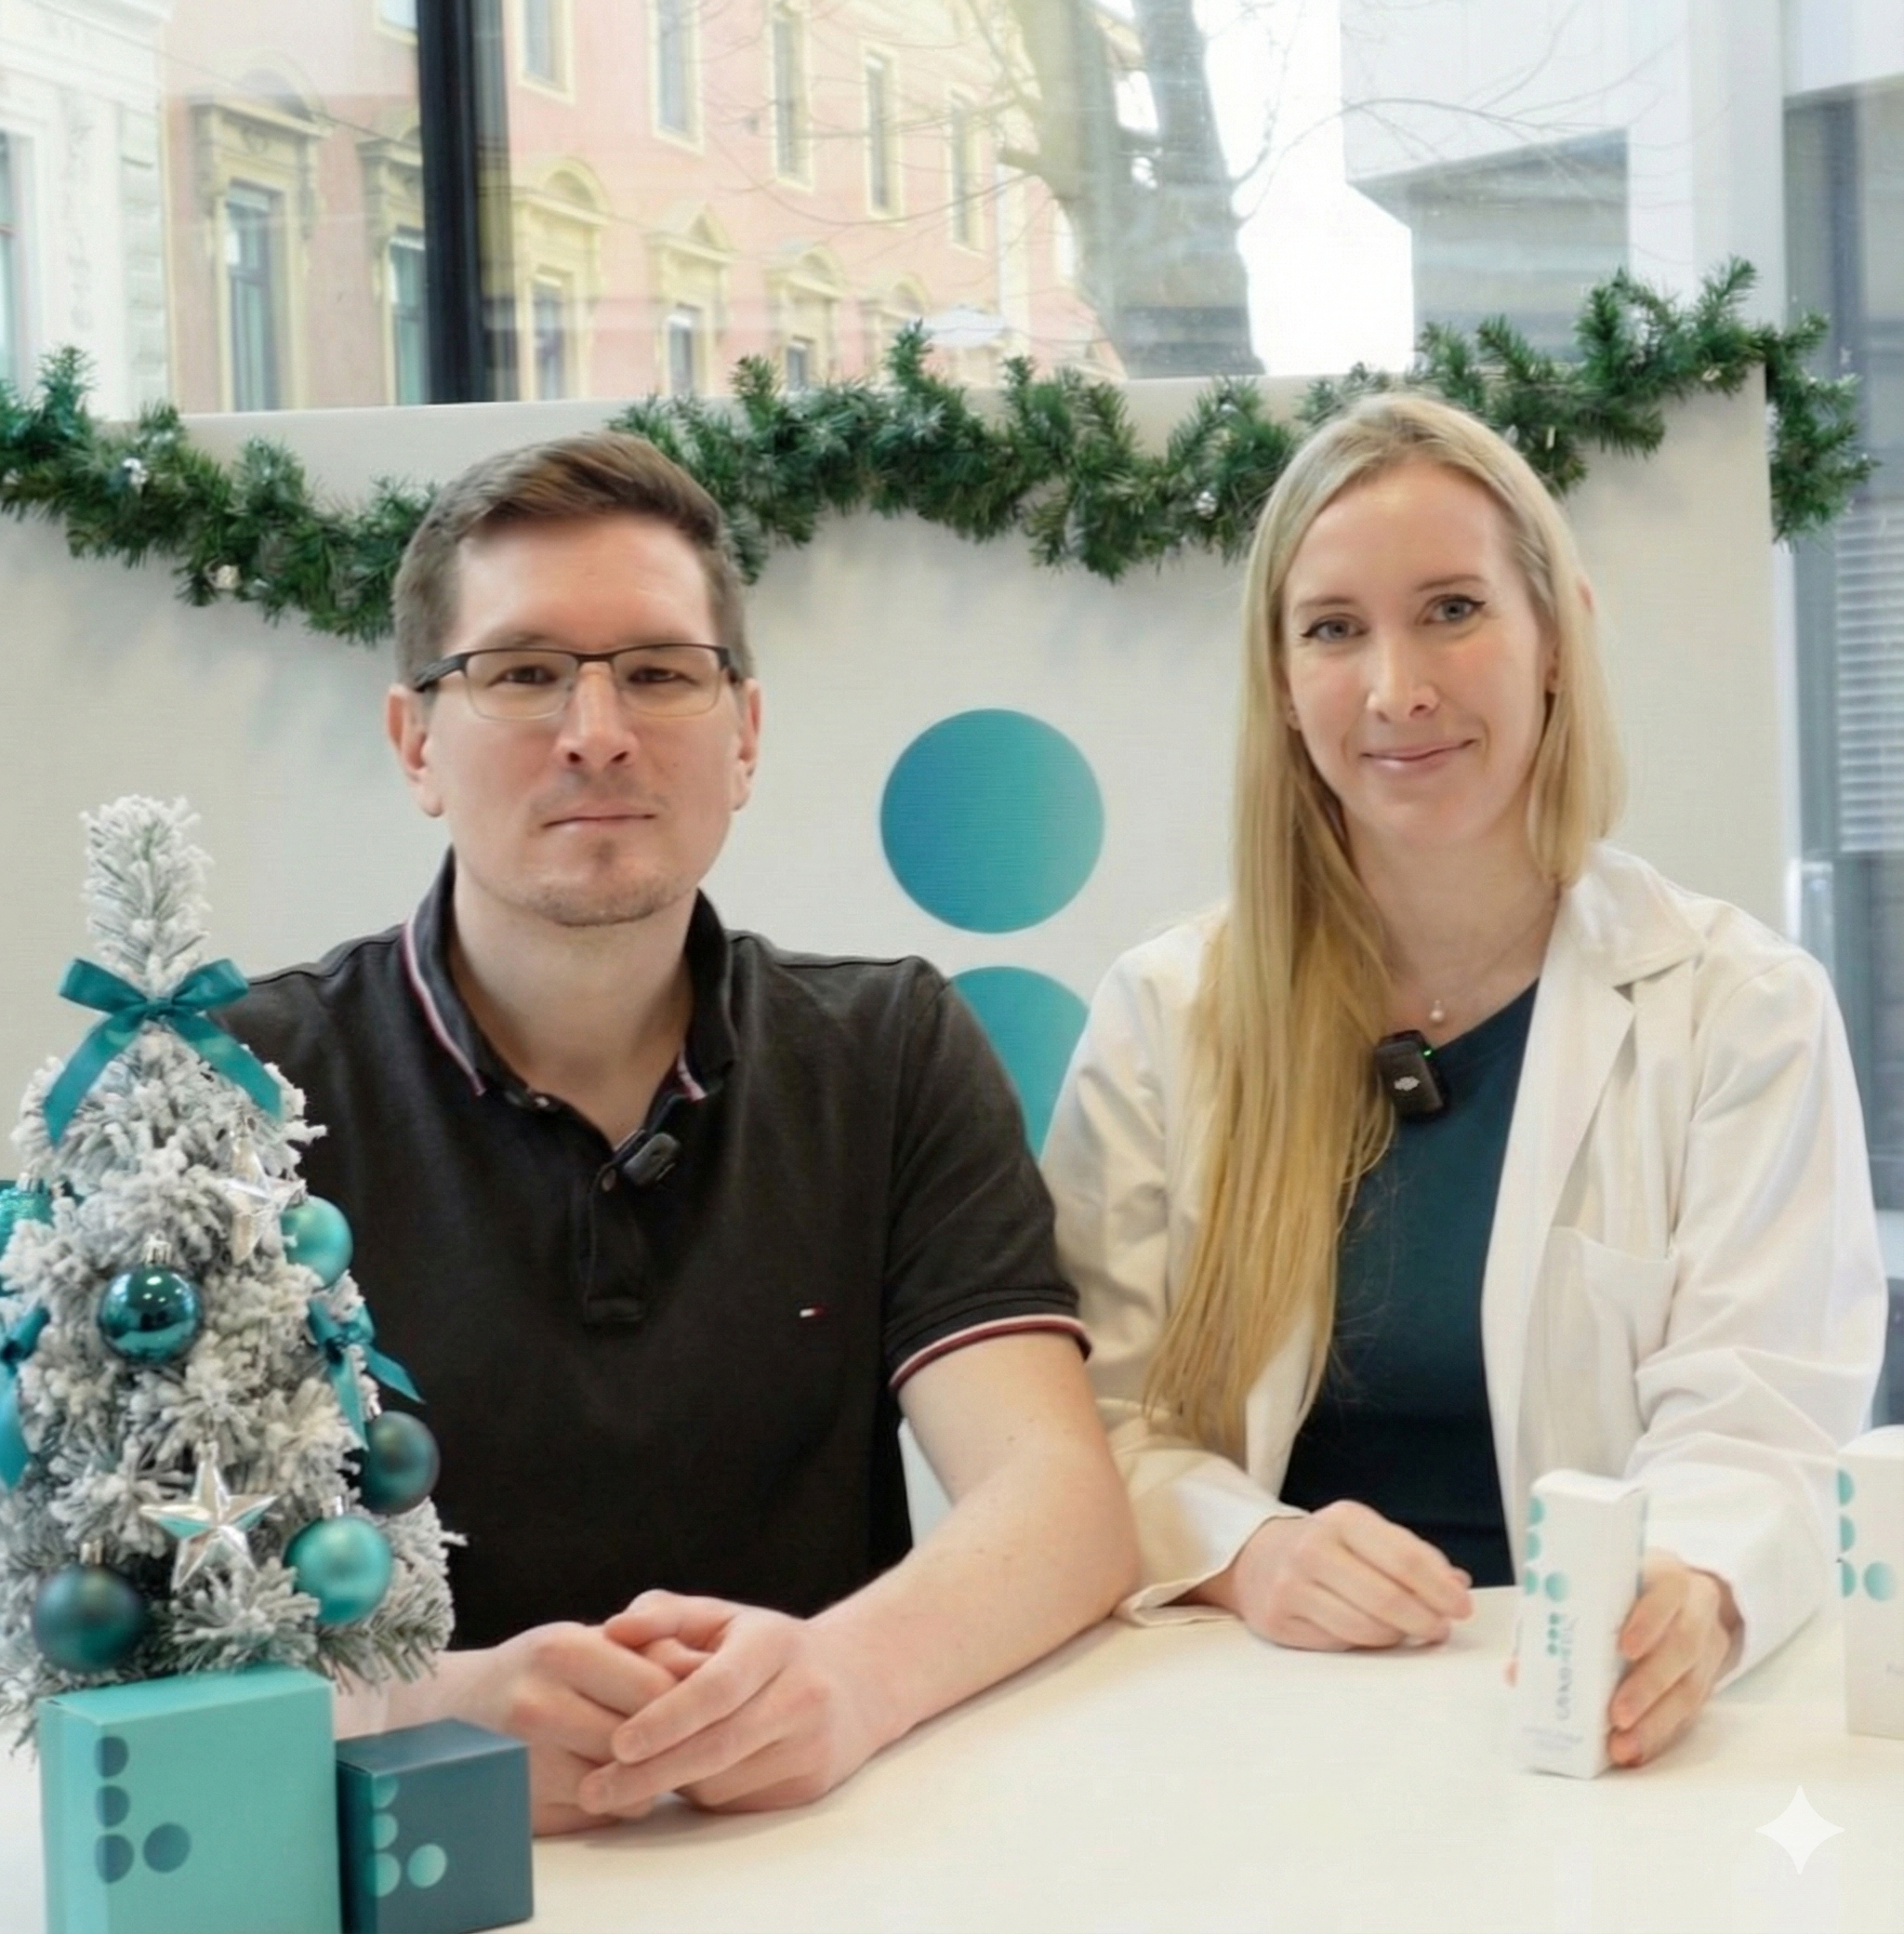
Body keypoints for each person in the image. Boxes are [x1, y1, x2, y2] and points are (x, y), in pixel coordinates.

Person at [220, 430, 1136, 1831]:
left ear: (745, 734)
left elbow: (1059, 1503)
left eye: (659, 671)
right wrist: (432, 1712)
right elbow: (111, 1609)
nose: (598, 729)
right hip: (398, 1872)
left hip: (812, 1851)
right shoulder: (241, 1092)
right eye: (523, 673)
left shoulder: (890, 1049)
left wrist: (846, 1681)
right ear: (416, 743)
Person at [1041, 391, 1885, 1768]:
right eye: (1333, 629)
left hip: (1590, 1723)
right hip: (1245, 1722)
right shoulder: (1165, 1015)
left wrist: (1690, 1593)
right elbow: (1086, 1422)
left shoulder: (1739, 1009)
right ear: (1279, 677)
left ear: (1558, 638)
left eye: (1451, 610)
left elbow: (1763, 1413)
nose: (1397, 689)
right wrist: (1250, 1553)